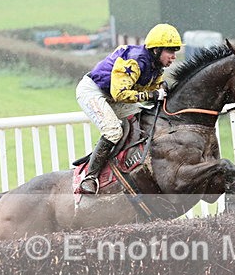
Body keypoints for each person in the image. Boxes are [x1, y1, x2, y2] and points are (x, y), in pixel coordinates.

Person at [75, 23, 182, 194]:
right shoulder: (134, 60)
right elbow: (120, 94)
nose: (173, 57)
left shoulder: (156, 66)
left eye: (175, 52)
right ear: (156, 50)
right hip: (93, 91)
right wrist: (153, 95)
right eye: (170, 51)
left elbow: (151, 90)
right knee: (113, 131)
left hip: (112, 94)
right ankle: (90, 176)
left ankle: (129, 162)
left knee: (140, 119)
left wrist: (161, 90)